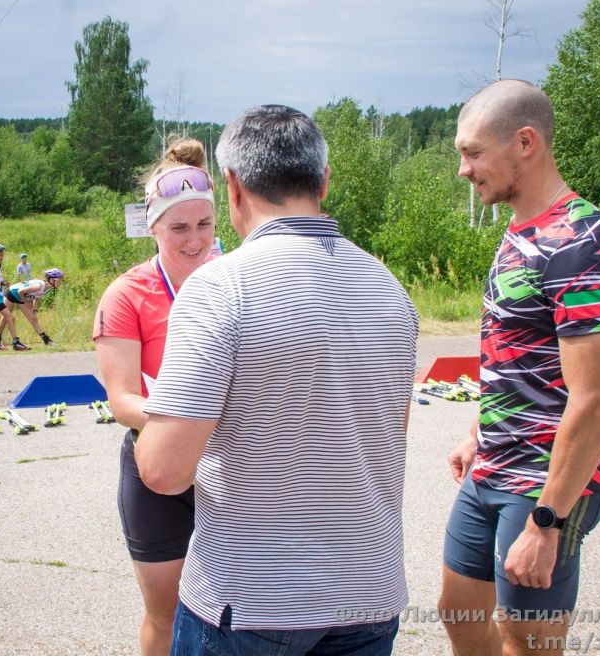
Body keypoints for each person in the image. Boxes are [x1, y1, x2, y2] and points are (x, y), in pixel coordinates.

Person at [134, 105, 419, 656]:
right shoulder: (390, 290)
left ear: (233, 187)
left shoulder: (222, 287)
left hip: (249, 599)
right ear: (324, 181)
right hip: (368, 591)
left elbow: (165, 470)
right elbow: (386, 433)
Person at [439, 80, 600, 656]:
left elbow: (594, 400)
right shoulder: (521, 230)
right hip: (493, 466)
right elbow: (517, 352)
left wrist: (547, 523)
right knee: (459, 613)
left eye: (474, 153)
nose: (465, 170)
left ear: (525, 142)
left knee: (528, 642)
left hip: (544, 485)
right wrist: (479, 429)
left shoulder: (579, 240)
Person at [93, 138, 216, 656]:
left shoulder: (238, 280)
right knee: (167, 615)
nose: (194, 241)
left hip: (233, 462)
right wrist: (187, 421)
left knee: (243, 615)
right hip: (158, 461)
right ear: (152, 226)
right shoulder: (127, 293)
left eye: (204, 225)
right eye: (178, 228)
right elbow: (121, 398)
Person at [0, 269, 64, 346]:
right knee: (6, 318)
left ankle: (46, 340)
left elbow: (37, 297)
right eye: (59, 280)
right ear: (51, 280)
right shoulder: (39, 286)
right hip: (12, 293)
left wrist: (35, 310)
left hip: (21, 297)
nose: (60, 282)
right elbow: (20, 291)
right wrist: (26, 303)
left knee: (34, 319)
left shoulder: (47, 288)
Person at [0, 243, 28, 351]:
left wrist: (3, 283)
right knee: (10, 317)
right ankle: (15, 342)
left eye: (2, 255)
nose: (2, 257)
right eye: (0, 255)